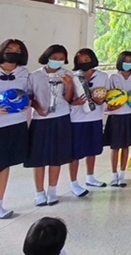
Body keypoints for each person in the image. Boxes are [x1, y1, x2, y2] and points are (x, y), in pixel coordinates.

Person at [26, 45, 74, 206]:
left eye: (61, 59)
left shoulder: (67, 74)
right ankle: (39, 192)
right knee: (39, 158)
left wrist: (70, 85)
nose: (58, 61)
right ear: (47, 57)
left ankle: (52, 190)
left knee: (56, 156)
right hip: (40, 119)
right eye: (54, 58)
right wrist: (39, 109)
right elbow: (30, 97)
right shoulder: (34, 75)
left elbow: (68, 99)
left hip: (61, 117)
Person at [68, 49, 108, 198]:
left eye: (87, 59)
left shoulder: (102, 76)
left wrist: (101, 101)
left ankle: (90, 177)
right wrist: (74, 102)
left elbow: (106, 95)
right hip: (77, 119)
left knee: (93, 149)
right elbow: (67, 98)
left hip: (95, 117)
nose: (83, 62)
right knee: (75, 153)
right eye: (80, 61)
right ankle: (73, 182)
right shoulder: (72, 77)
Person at [0, 39, 30, 219]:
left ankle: (0, 203)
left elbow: (30, 95)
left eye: (18, 50)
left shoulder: (24, 73)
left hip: (15, 124)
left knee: (4, 164)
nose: (13, 52)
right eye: (9, 49)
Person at [104, 51, 131, 188]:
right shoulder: (113, 77)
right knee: (115, 147)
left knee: (126, 146)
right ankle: (113, 174)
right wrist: (109, 106)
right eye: (125, 61)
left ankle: (122, 174)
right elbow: (107, 96)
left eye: (130, 61)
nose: (128, 64)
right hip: (116, 116)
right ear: (120, 62)